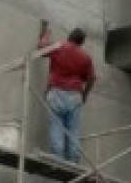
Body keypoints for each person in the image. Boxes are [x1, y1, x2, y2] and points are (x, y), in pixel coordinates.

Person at [38, 21, 96, 163]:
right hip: (75, 96)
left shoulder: (60, 47)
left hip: (57, 92)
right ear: (81, 42)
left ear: (70, 36)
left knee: (56, 128)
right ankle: (73, 162)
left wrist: (45, 33)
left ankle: (58, 160)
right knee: (73, 131)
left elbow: (41, 49)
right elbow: (92, 79)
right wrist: (84, 95)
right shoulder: (86, 58)